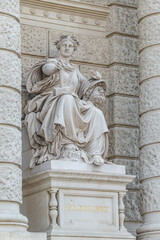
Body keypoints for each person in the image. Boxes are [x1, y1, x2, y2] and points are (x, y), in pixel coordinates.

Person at [24, 35, 109, 168]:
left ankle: (94, 152)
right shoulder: (53, 62)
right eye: (64, 45)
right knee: (67, 98)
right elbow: (46, 70)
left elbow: (84, 84)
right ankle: (67, 144)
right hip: (52, 99)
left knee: (95, 112)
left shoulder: (75, 70)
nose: (67, 48)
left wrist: (93, 78)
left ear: (73, 50)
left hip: (71, 101)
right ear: (59, 48)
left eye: (70, 46)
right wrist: (55, 69)